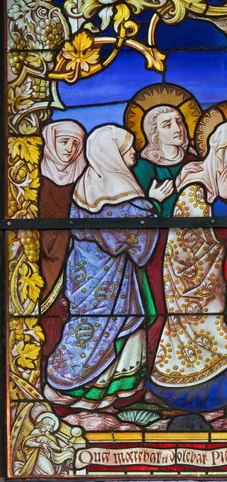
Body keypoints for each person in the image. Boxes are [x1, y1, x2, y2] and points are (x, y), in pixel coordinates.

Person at [148, 118, 227, 423]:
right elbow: (198, 234)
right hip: (193, 281)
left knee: (224, 332)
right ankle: (187, 395)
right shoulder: (194, 180)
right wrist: (221, 201)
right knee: (213, 331)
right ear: (220, 142)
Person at [45, 125, 158, 410]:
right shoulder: (118, 191)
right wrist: (152, 204)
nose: (133, 152)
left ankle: (110, 392)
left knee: (111, 324)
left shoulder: (88, 184)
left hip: (89, 272)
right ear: (111, 154)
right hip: (103, 278)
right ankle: (71, 388)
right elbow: (130, 239)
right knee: (97, 326)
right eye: (126, 148)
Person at [131, 104, 199, 370]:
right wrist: (155, 201)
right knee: (159, 309)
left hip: (194, 252)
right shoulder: (143, 168)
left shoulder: (195, 164)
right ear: (154, 134)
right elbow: (134, 214)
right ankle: (151, 372)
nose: (178, 128)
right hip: (157, 250)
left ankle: (190, 371)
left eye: (179, 121)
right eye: (168, 124)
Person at [38, 121, 87, 354]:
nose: (70, 148)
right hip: (45, 256)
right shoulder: (35, 178)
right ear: (50, 141)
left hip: (78, 258)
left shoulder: (84, 177)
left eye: (76, 143)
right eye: (64, 141)